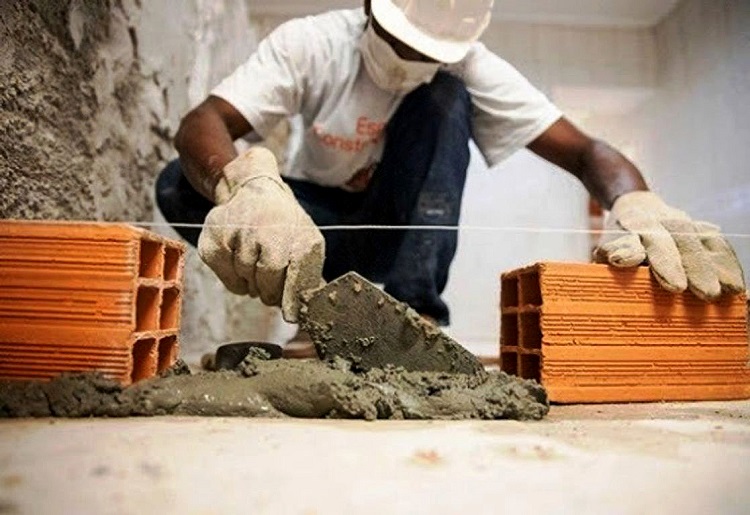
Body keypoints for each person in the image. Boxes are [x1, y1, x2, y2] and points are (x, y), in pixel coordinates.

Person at [156, 0, 745, 354]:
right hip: (309, 231)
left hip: (396, 232)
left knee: (445, 98)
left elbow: (587, 151)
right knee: (181, 185)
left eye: (428, 52)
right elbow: (203, 122)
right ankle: (318, 316)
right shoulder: (311, 43)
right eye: (401, 44)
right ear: (371, 9)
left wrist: (639, 204)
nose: (411, 61)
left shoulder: (466, 64)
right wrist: (250, 188)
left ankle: (411, 321)